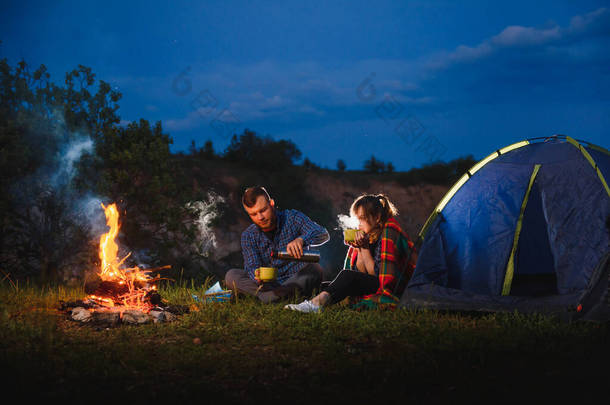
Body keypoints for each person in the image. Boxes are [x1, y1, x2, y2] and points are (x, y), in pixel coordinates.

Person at [285, 193, 417, 313]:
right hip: (374, 282)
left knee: (346, 277)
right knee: (327, 285)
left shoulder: (389, 231)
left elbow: (378, 277)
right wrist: (359, 247)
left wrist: (364, 248)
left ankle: (315, 305)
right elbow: (361, 272)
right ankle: (311, 301)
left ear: (377, 218)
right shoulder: (369, 236)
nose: (358, 224)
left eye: (362, 219)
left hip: (395, 288)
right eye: (357, 219)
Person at [225, 186, 329, 303]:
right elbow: (251, 265)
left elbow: (323, 233)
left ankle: (262, 299)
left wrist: (302, 239)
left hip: (295, 279)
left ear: (272, 203)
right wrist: (256, 274)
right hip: (267, 286)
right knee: (232, 275)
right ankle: (273, 298)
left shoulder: (293, 218)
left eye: (263, 210)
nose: (260, 217)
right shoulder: (248, 235)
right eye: (253, 214)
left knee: (315, 269)